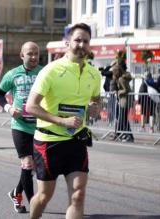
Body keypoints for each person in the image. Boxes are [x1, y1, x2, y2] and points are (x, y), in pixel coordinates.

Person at [26, 23, 101, 219]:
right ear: (67, 42)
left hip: (76, 141)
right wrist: (62, 121)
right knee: (44, 196)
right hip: (48, 142)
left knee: (78, 194)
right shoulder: (51, 70)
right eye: (77, 40)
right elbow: (31, 106)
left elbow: (95, 101)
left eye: (85, 41)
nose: (81, 45)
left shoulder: (94, 74)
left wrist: (95, 108)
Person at [0, 41, 42, 213]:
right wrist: (8, 108)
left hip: (39, 127)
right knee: (27, 163)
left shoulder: (44, 73)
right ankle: (34, 206)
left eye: (36, 53)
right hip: (20, 126)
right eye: (30, 53)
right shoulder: (13, 74)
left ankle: (16, 193)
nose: (34, 57)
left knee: (33, 168)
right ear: (22, 55)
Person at [112, 65, 134, 142]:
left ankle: (127, 135)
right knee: (124, 120)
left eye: (114, 72)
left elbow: (127, 90)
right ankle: (126, 135)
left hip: (124, 101)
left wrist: (118, 92)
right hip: (123, 101)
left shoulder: (121, 79)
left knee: (123, 119)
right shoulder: (121, 78)